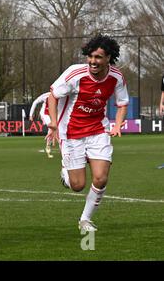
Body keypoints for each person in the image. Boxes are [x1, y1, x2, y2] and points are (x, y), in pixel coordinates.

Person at [46, 34, 129, 233]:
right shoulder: (76, 74)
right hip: (71, 132)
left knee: (100, 178)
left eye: (98, 57)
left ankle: (85, 219)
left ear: (108, 57)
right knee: (77, 185)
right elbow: (53, 95)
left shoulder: (116, 77)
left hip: (98, 130)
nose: (93, 61)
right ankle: (66, 171)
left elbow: (122, 102)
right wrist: (54, 125)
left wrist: (117, 125)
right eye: (90, 56)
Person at [29, 92, 54, 158]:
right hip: (44, 114)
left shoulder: (61, 95)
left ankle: (56, 144)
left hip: (52, 114)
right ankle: (48, 147)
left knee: (57, 129)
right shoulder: (46, 95)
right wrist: (31, 115)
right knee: (51, 127)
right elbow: (35, 102)